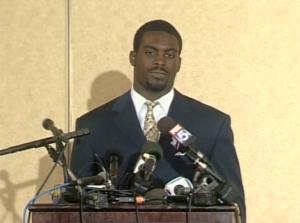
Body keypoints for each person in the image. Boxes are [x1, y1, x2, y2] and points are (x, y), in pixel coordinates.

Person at [70, 19, 246, 222]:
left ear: (179, 63)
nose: (160, 61)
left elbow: (234, 207)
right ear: (133, 57)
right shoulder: (93, 125)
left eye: (169, 55)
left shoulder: (213, 124)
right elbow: (73, 206)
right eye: (151, 52)